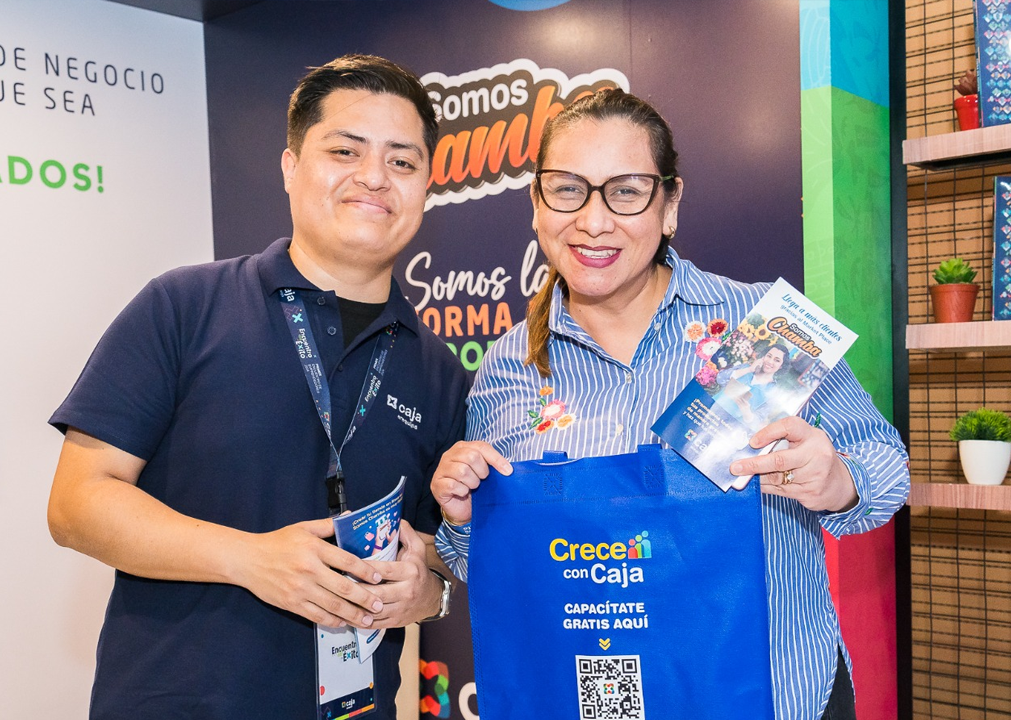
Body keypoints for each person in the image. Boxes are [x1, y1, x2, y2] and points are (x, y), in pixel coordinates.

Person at [430, 89, 909, 720]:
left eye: (625, 192)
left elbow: (888, 464)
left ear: (670, 204)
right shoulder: (507, 368)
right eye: (568, 189)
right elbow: (488, 564)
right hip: (599, 698)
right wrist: (466, 520)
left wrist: (840, 481)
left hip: (775, 696)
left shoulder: (763, 325)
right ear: (537, 205)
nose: (594, 221)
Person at [47, 55, 466, 720]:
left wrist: (429, 592)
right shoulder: (184, 307)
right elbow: (76, 504)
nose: (374, 176)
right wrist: (250, 559)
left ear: (424, 187)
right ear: (291, 167)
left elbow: (443, 552)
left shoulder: (440, 372)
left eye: (402, 161)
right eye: (345, 151)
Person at [720, 342, 791, 425]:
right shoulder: (745, 368)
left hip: (731, 425)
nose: (770, 361)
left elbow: (757, 421)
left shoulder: (772, 392)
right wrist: (749, 370)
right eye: (769, 356)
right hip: (713, 408)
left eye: (777, 360)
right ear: (763, 357)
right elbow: (720, 378)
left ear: (781, 366)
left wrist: (746, 411)